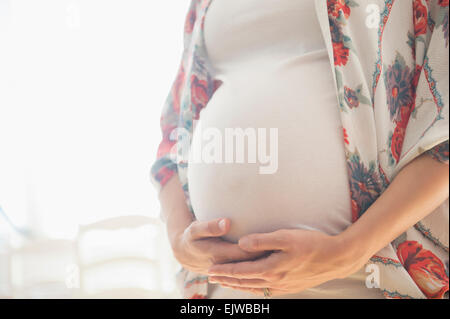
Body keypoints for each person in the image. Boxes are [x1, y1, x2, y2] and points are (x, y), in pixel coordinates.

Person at [152, 0, 449, 299]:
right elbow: (173, 135)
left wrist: (349, 251)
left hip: (367, 280)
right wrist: (178, 237)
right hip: (227, 290)